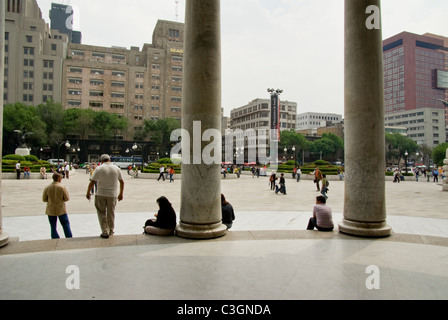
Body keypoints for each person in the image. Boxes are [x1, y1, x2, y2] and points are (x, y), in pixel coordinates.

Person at [86, 154, 124, 239]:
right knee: (111, 212)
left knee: (101, 212)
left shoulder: (99, 168)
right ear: (109, 160)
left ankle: (104, 231)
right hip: (112, 194)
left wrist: (88, 192)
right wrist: (121, 193)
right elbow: (122, 181)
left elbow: (92, 182)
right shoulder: (116, 168)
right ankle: (111, 229)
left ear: (101, 160)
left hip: (101, 193)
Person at [42, 173, 73, 239]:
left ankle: (55, 238)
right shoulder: (62, 187)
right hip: (61, 209)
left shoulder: (47, 187)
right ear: (58, 178)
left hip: (50, 209)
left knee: (53, 226)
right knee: (65, 224)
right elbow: (67, 198)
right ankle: (69, 237)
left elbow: (44, 199)